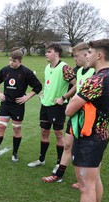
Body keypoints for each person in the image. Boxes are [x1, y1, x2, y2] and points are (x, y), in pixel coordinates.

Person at [56, 39, 109, 202]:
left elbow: (69, 108)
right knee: (95, 179)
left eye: (90, 52)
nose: (87, 55)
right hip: (101, 134)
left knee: (86, 186)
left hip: (89, 137)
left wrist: (70, 106)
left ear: (99, 55)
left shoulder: (97, 79)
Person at [41, 42, 95, 185]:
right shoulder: (78, 71)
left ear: (86, 55)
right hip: (75, 114)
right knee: (68, 145)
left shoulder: (95, 72)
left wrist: (64, 98)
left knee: (84, 148)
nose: (74, 59)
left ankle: (85, 180)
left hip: (88, 117)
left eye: (76, 56)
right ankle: (58, 175)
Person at [0, 50, 42, 163]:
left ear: (20, 61)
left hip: (18, 106)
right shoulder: (5, 70)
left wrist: (27, 97)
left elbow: (38, 86)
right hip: (5, 104)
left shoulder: (26, 72)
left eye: (14, 61)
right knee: (0, 127)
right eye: (10, 60)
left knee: (16, 129)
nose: (11, 62)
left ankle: (15, 153)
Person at [28, 43, 76, 171]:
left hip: (57, 106)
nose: (46, 53)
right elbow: (49, 84)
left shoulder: (65, 68)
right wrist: (45, 94)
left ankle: (59, 163)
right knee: (44, 132)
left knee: (59, 134)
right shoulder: (47, 67)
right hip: (45, 105)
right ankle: (41, 159)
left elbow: (77, 85)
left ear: (57, 53)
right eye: (46, 51)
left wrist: (63, 98)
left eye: (49, 51)